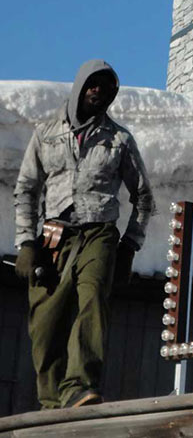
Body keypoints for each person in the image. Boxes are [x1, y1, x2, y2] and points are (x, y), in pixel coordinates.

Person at [13, 60, 155, 409]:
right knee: (45, 322)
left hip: (100, 233)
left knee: (91, 302)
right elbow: (27, 189)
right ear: (79, 86)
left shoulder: (119, 139)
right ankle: (52, 401)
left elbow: (144, 197)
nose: (99, 92)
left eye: (107, 89)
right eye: (93, 85)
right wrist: (26, 243)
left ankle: (80, 386)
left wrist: (129, 246)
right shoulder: (47, 133)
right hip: (54, 237)